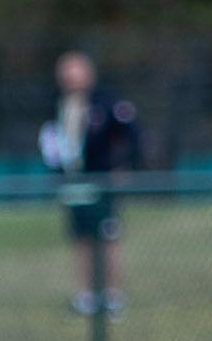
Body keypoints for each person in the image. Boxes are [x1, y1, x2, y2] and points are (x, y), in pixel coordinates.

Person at [40, 49, 145, 318]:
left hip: (102, 181)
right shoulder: (56, 104)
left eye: (77, 74)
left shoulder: (106, 102)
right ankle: (86, 295)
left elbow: (132, 134)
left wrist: (124, 166)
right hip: (73, 181)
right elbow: (52, 140)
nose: (72, 80)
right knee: (81, 238)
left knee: (108, 236)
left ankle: (111, 296)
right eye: (67, 75)